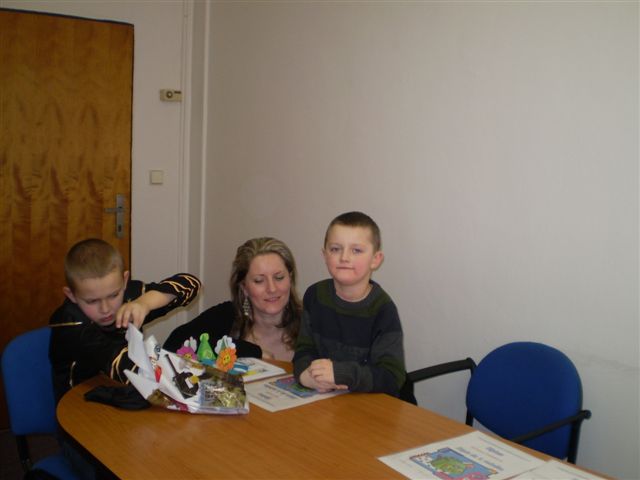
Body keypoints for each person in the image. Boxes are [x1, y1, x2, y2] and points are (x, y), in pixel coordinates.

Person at [49, 238, 201, 403]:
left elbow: (191, 284)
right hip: (79, 406)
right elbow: (121, 365)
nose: (105, 309)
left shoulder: (129, 295)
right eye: (92, 301)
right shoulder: (71, 324)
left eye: (114, 295)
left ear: (124, 281)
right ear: (71, 295)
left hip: (122, 392)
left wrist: (145, 303)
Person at [293, 211, 414, 402]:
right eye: (335, 249)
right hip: (328, 400)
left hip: (373, 404)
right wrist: (304, 375)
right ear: (324, 255)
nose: (344, 257)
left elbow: (392, 378)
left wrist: (340, 374)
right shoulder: (315, 295)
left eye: (356, 250)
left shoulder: (383, 309)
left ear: (375, 259)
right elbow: (304, 348)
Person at [164, 237, 301, 362]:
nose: (272, 288)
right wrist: (251, 351)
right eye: (259, 280)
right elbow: (173, 345)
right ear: (244, 287)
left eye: (279, 278)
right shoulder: (227, 315)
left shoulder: (309, 322)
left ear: (290, 279)